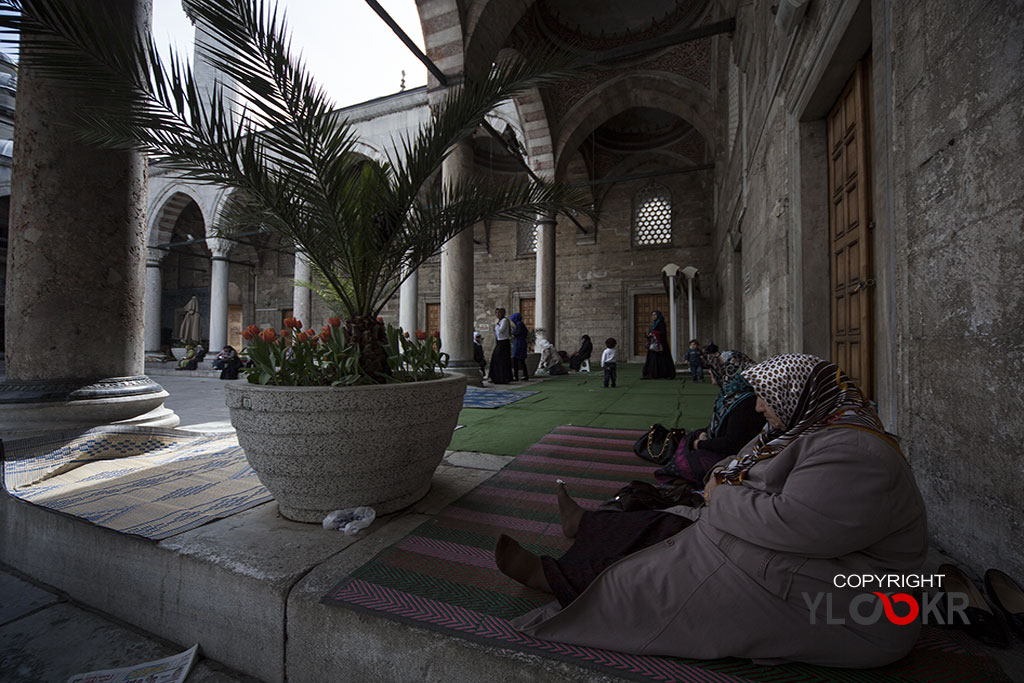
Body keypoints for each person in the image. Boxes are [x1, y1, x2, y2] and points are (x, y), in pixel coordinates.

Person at [496, 354, 928, 668]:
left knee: (665, 574)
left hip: (850, 606)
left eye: (765, 396)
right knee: (662, 525)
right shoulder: (809, 430)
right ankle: (571, 553)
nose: (759, 407)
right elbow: (732, 467)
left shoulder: (854, 452)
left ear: (798, 394)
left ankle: (558, 582)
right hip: (799, 565)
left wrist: (720, 495)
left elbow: (793, 526)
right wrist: (720, 489)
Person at [654, 350, 765, 484]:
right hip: (724, 443)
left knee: (689, 461)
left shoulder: (745, 403)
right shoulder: (730, 395)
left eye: (714, 370)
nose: (711, 374)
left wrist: (701, 444)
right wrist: (705, 434)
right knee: (689, 437)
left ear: (727, 372)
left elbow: (732, 443)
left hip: (736, 454)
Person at [641, 311, 675, 379]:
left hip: (660, 345)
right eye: (652, 315)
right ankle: (652, 374)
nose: (653, 316)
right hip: (653, 344)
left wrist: (653, 333)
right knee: (652, 359)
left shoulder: (661, 323)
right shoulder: (654, 324)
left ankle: (663, 374)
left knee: (661, 359)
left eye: (655, 315)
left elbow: (662, 333)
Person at [488, 308, 513, 384]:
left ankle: (503, 378)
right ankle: (495, 377)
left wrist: (497, 326)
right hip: (499, 342)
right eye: (496, 313)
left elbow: (501, 330)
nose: (496, 315)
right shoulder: (500, 321)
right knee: (496, 359)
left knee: (501, 360)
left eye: (498, 313)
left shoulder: (504, 321)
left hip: (504, 342)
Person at [510, 312, 530, 381]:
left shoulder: (519, 325)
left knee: (516, 359)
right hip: (521, 342)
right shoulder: (521, 324)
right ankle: (525, 375)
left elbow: (518, 333)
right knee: (521, 360)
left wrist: (513, 333)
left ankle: (516, 376)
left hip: (519, 343)